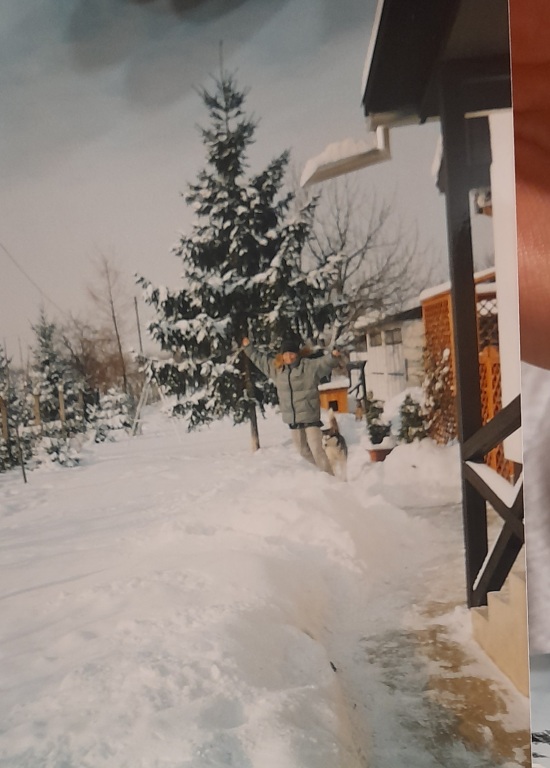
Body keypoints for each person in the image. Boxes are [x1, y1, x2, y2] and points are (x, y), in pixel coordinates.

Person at [241, 336, 341, 474]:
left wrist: (333, 357)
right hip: (293, 419)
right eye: (286, 354)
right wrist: (248, 347)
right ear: (282, 356)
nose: (289, 357)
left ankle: (331, 478)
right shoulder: (277, 369)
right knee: (303, 451)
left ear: (297, 354)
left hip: (310, 416)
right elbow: (260, 360)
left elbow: (323, 363)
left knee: (317, 450)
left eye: (291, 353)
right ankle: (323, 473)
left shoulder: (308, 366)